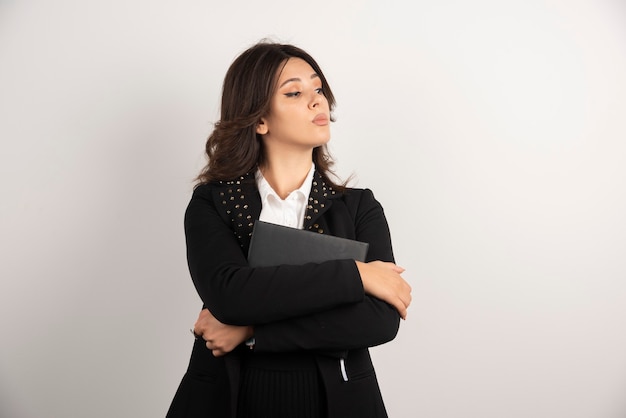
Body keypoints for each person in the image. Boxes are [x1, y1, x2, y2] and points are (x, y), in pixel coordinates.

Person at [166, 40, 412, 418]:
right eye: (295, 92)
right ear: (259, 119)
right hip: (230, 399)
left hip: (337, 401)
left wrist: (253, 333)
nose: (317, 101)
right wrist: (356, 274)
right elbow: (230, 296)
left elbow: (378, 320)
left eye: (318, 89)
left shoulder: (359, 206)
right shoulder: (212, 202)